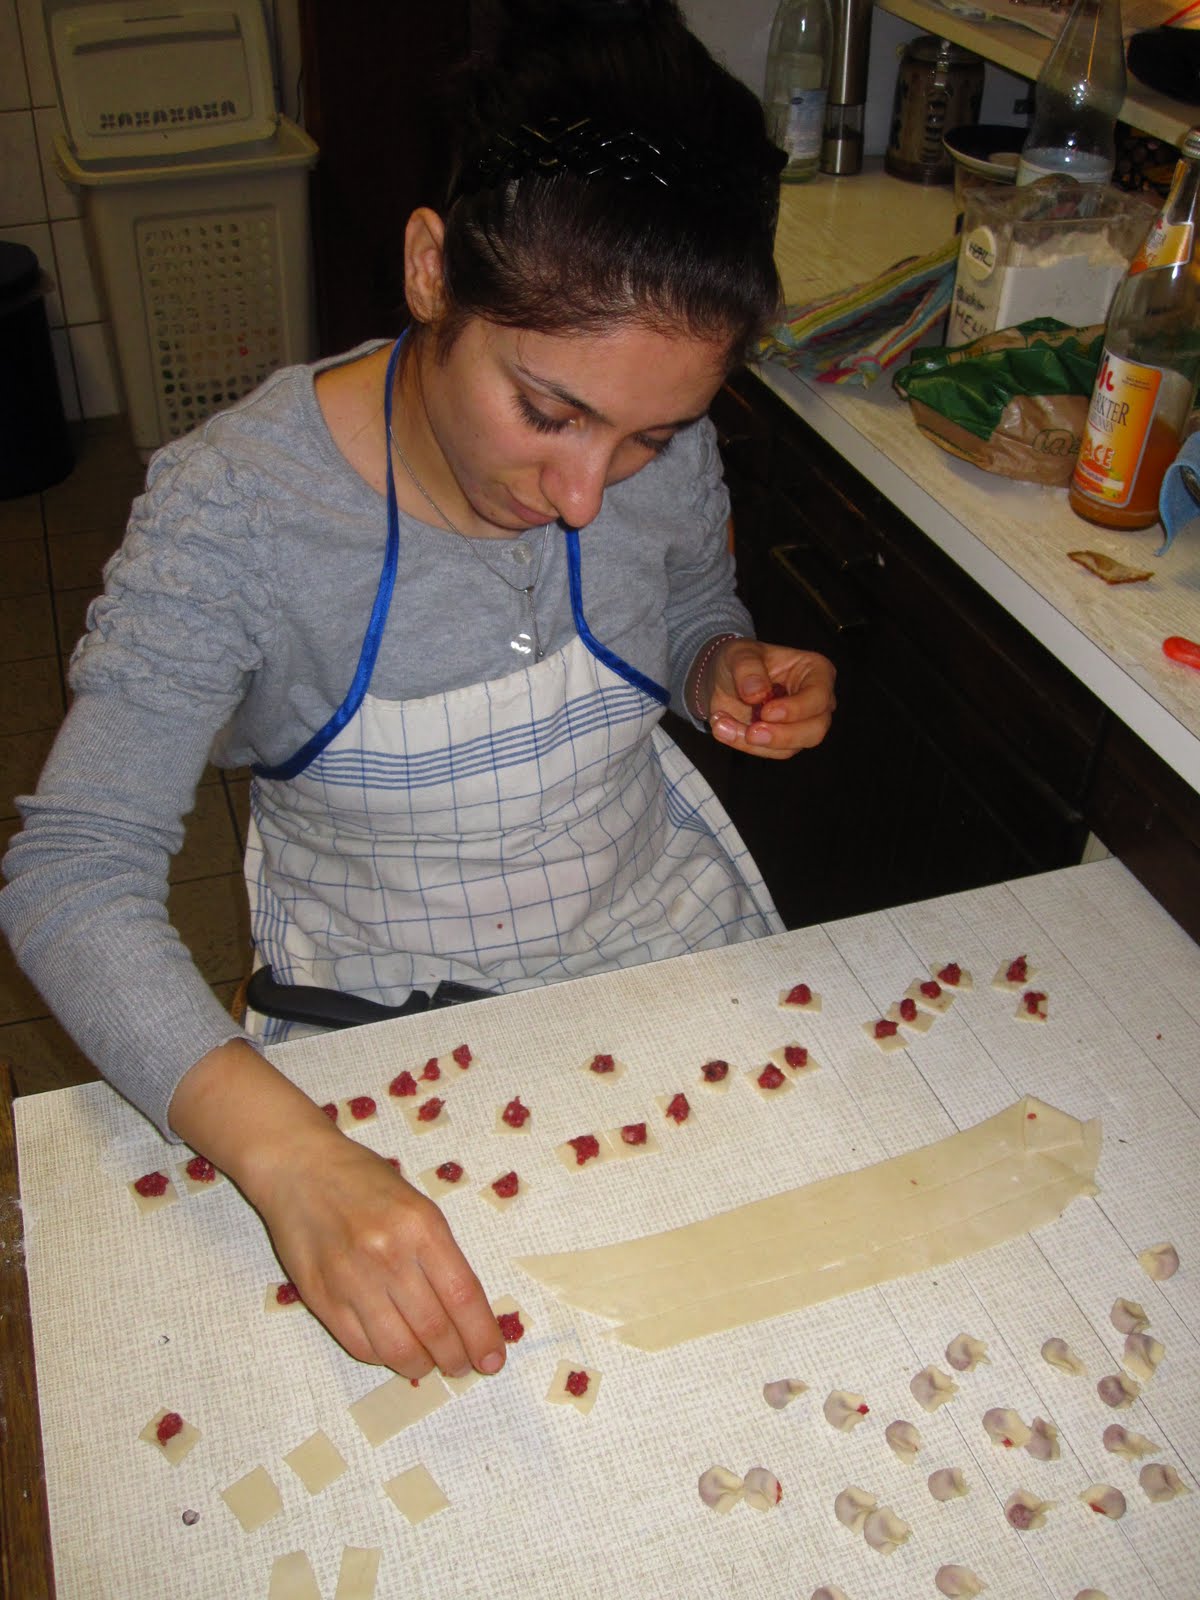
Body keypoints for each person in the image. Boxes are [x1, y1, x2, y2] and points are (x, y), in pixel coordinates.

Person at [0, 0, 835, 1384]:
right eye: (549, 412)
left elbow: (692, 601)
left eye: (650, 437)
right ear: (432, 270)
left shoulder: (659, 440)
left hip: (660, 943)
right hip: (389, 1011)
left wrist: (717, 668)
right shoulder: (236, 514)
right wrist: (291, 1159)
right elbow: (71, 874)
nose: (585, 494)